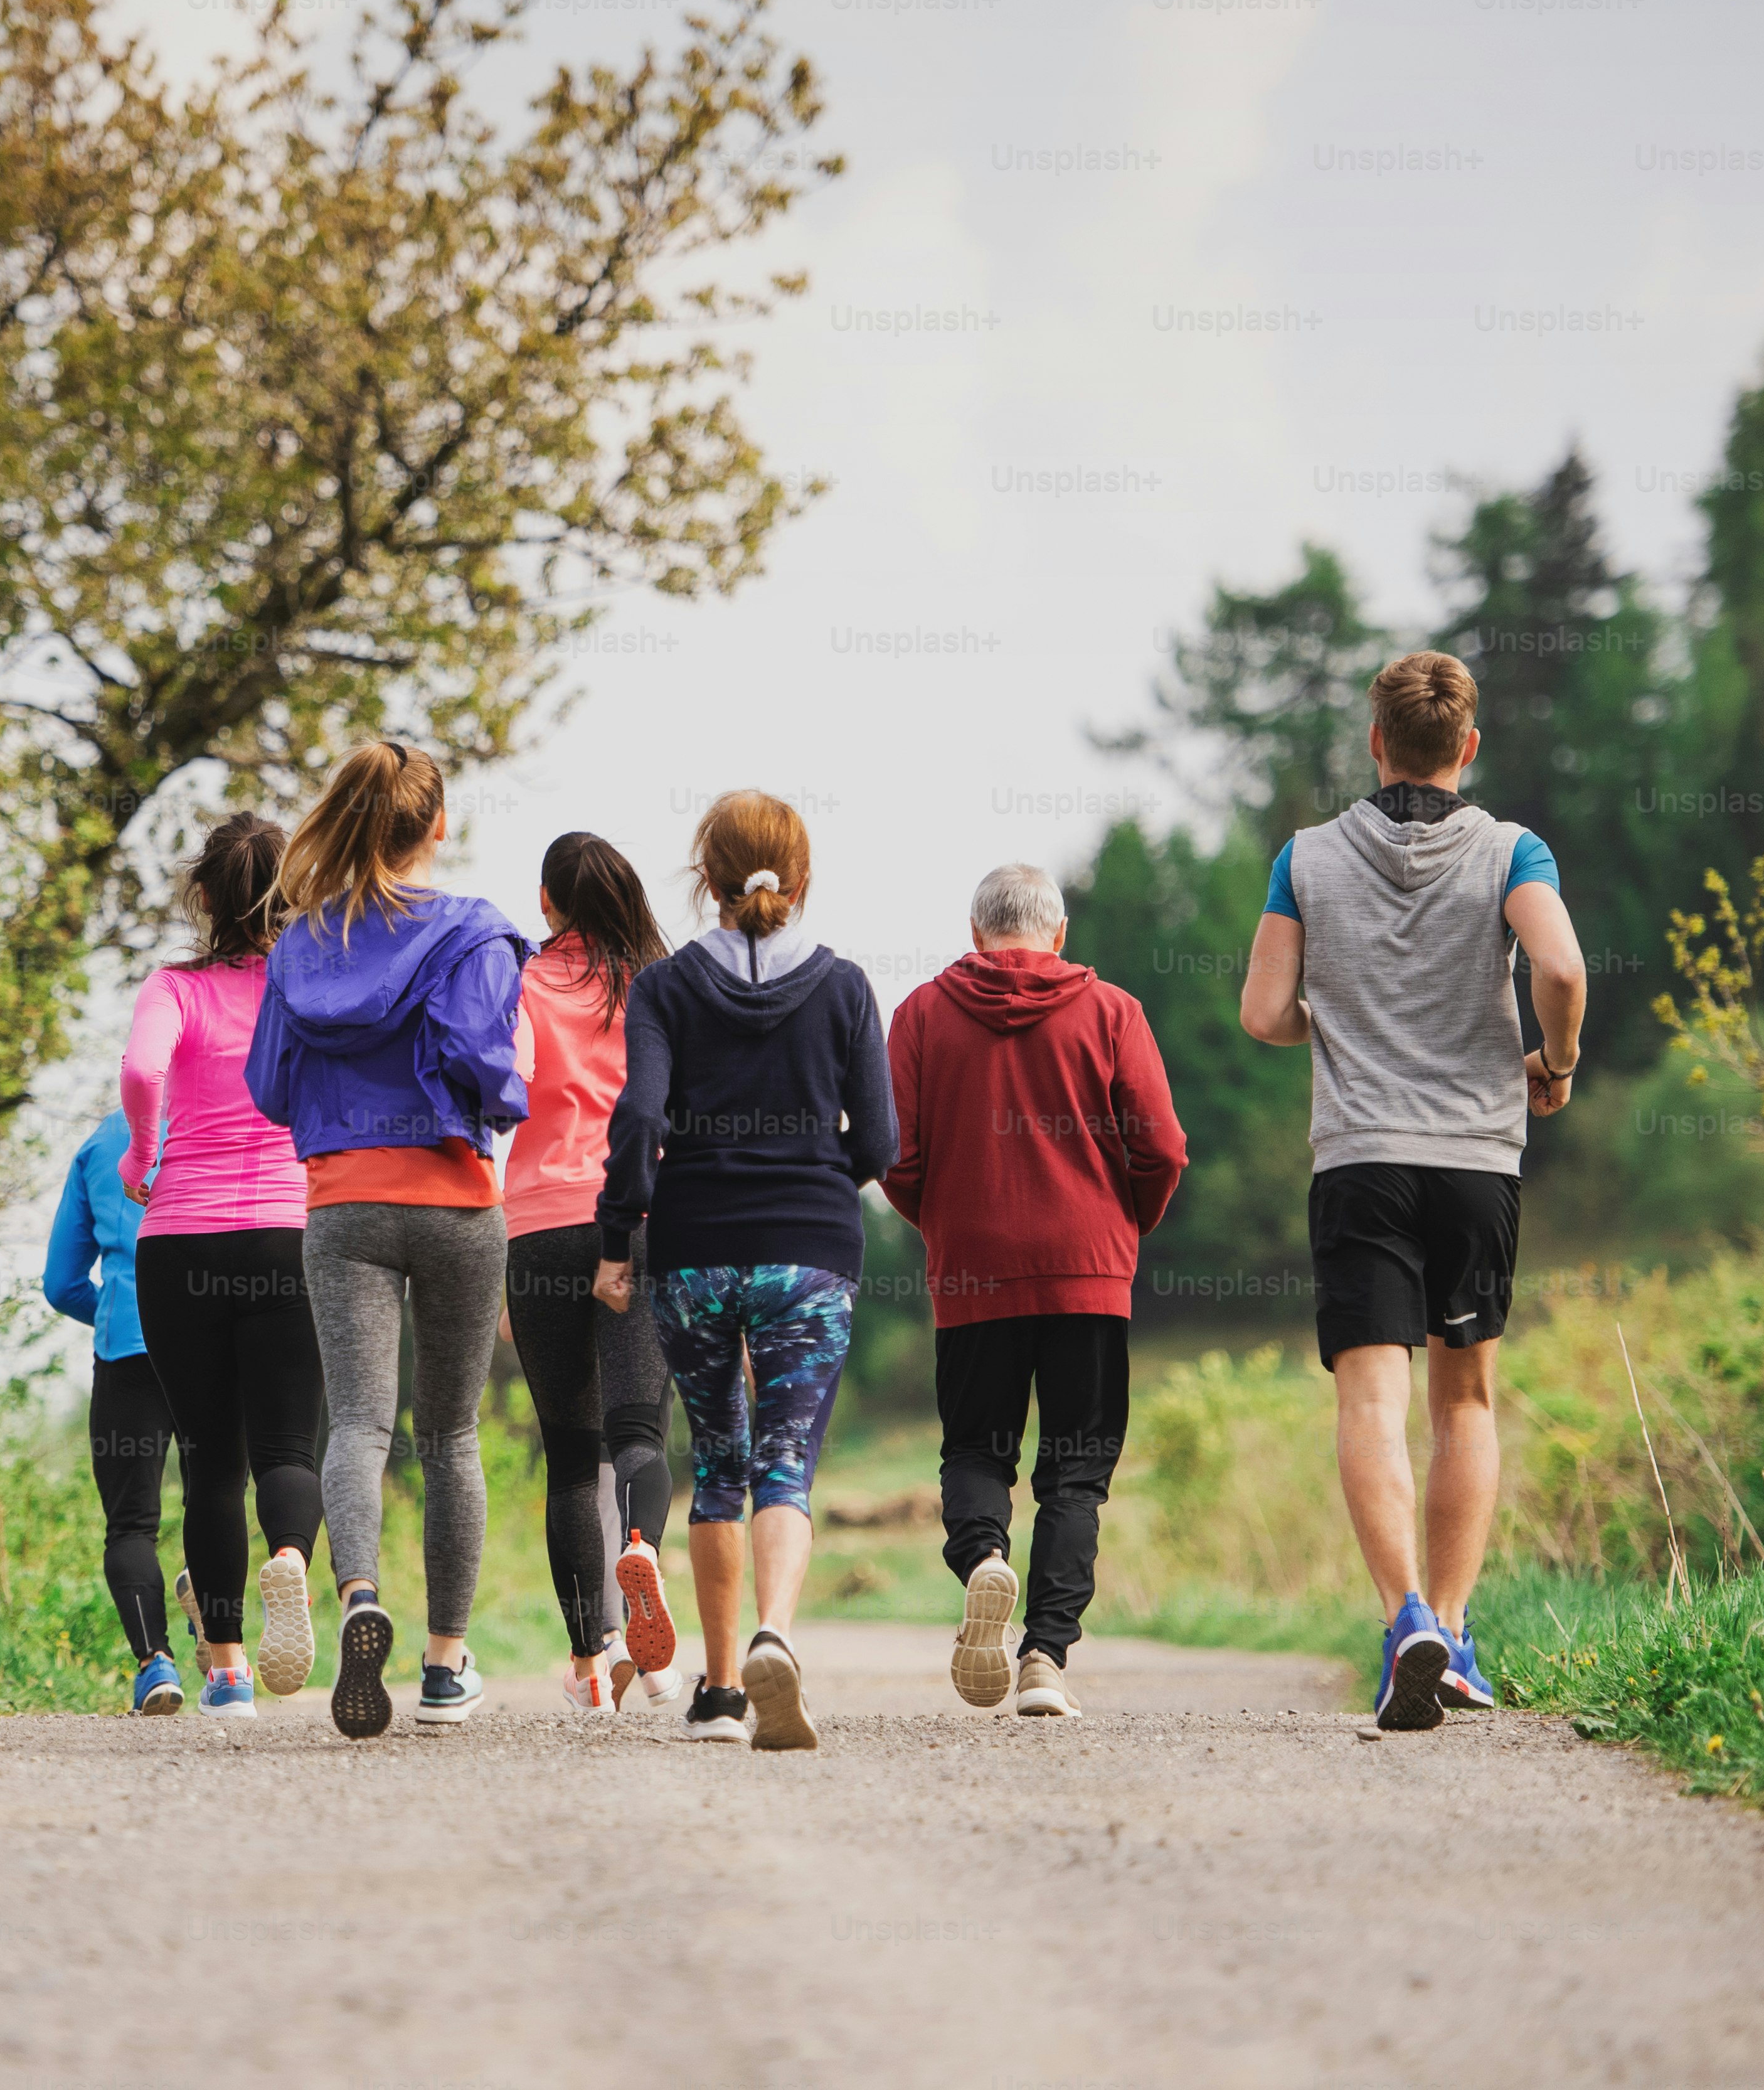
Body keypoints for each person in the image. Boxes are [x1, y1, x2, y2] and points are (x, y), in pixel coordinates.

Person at [1239, 649, 1586, 1732]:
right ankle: (1454, 1623)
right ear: (1467, 748)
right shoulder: (1511, 850)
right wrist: (1556, 1063)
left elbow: (1263, 1013)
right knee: (1465, 1402)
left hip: (1360, 1161)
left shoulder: (1305, 857)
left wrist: (1329, 1023)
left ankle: (1404, 1623)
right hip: (1477, 1160)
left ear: (1376, 741)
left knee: (1369, 1405)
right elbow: (1562, 971)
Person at [595, 790, 894, 1752]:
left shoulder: (666, 988)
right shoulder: (845, 987)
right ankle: (777, 1634)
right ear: (800, 881)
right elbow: (882, 1141)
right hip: (809, 1254)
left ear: (704, 877)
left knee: (717, 1462)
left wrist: (618, 1234)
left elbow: (639, 1120)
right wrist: (813, 1181)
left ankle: (721, 1693)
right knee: (786, 1462)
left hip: (693, 1250)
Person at [247, 744, 529, 1739]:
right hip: (457, 1200)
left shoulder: (299, 945)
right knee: (449, 1434)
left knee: (358, 1424)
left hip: (343, 1204)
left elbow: (272, 1090)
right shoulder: (477, 932)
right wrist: (505, 1099)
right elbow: (487, 1065)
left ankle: (360, 1596)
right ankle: (446, 1666)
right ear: (436, 825)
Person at [885, 865, 1188, 1719]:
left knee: (978, 1449)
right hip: (1087, 1269)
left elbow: (894, 1156)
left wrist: (944, 1224)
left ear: (975, 932)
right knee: (1077, 1472)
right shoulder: (1113, 1011)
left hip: (974, 1269)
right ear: (1058, 936)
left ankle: (984, 1555)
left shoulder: (919, 1015)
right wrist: (1123, 1229)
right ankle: (1047, 1659)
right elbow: (1162, 1147)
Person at [121, 813, 322, 1722]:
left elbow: (138, 1070)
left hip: (180, 1245)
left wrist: (140, 1156)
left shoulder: (173, 987)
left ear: (201, 896)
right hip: (290, 1234)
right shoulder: (312, 986)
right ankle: (290, 1556)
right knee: (288, 1446)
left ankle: (229, 1671)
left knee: (208, 1461)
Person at [504, 832, 682, 1714]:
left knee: (572, 1459)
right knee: (639, 1430)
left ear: (547, 902)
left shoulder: (523, 983)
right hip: (644, 1217)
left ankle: (591, 1664)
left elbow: (509, 1083)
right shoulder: (661, 986)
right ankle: (643, 1545)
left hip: (540, 1227)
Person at [44, 1107, 182, 1716]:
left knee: (131, 1525)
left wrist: (115, 1311)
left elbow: (62, 1283)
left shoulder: (102, 1140)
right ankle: (226, 1649)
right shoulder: (235, 1117)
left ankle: (155, 1663)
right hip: (216, 1341)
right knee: (217, 1495)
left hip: (126, 1349)